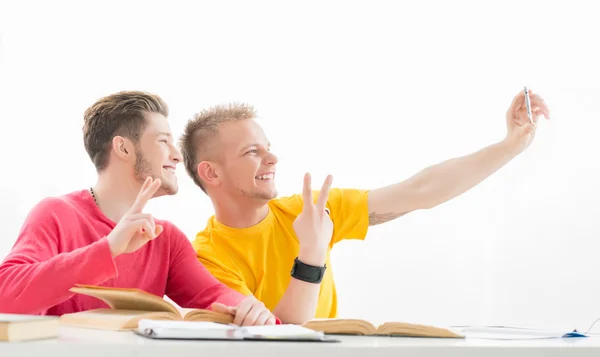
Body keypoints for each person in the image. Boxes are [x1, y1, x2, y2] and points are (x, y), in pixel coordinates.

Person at [178, 89, 550, 325]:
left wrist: (510, 146)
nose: (273, 158)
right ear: (211, 173)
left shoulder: (309, 211)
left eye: (268, 146)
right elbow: (281, 338)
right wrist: (311, 252)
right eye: (252, 152)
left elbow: (420, 190)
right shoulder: (206, 259)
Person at [0, 91, 284, 326]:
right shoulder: (56, 214)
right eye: (163, 141)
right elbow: (5, 295)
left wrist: (250, 310)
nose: (176, 155)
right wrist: (108, 248)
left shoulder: (166, 238)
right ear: (123, 149)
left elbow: (214, 294)